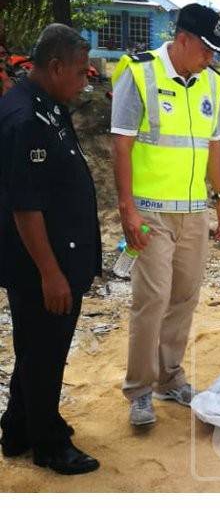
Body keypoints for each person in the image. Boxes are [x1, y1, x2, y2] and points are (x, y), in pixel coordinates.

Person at [111, 3, 220, 426]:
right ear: (183, 39)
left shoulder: (211, 84)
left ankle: (169, 377)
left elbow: (213, 145)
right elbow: (121, 144)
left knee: (185, 294)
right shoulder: (139, 73)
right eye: (207, 48)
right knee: (153, 298)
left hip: (193, 211)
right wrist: (127, 209)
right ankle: (140, 390)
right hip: (149, 212)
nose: (211, 57)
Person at [0, 24, 101, 474]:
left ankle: (20, 425)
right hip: (40, 264)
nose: (85, 81)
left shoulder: (47, 105)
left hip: (58, 253)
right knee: (45, 350)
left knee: (37, 346)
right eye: (80, 73)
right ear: (56, 66)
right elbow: (25, 206)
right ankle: (48, 444)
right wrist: (51, 273)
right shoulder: (24, 117)